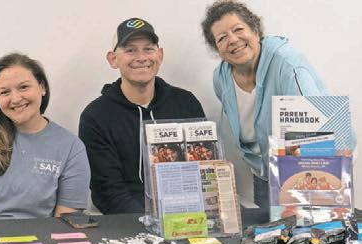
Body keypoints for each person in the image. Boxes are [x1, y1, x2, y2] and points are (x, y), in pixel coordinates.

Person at [201, 1, 326, 215]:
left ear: (256, 30)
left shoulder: (288, 64)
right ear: (217, 50)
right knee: (269, 233)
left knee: (309, 233)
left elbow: (316, 135)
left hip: (308, 171)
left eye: (238, 29)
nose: (233, 40)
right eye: (222, 38)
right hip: (264, 175)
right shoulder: (220, 78)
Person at [79, 18, 205, 214]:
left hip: (188, 214)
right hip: (128, 220)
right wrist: (147, 221)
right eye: (130, 50)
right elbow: (107, 191)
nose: (141, 57)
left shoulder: (186, 103)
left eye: (148, 49)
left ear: (160, 55)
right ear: (113, 59)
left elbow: (204, 167)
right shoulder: (95, 116)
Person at [0, 53, 90, 221]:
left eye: (23, 87)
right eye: (5, 92)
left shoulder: (71, 147)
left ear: (42, 87)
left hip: (42, 237)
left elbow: (66, 221)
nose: (15, 99)